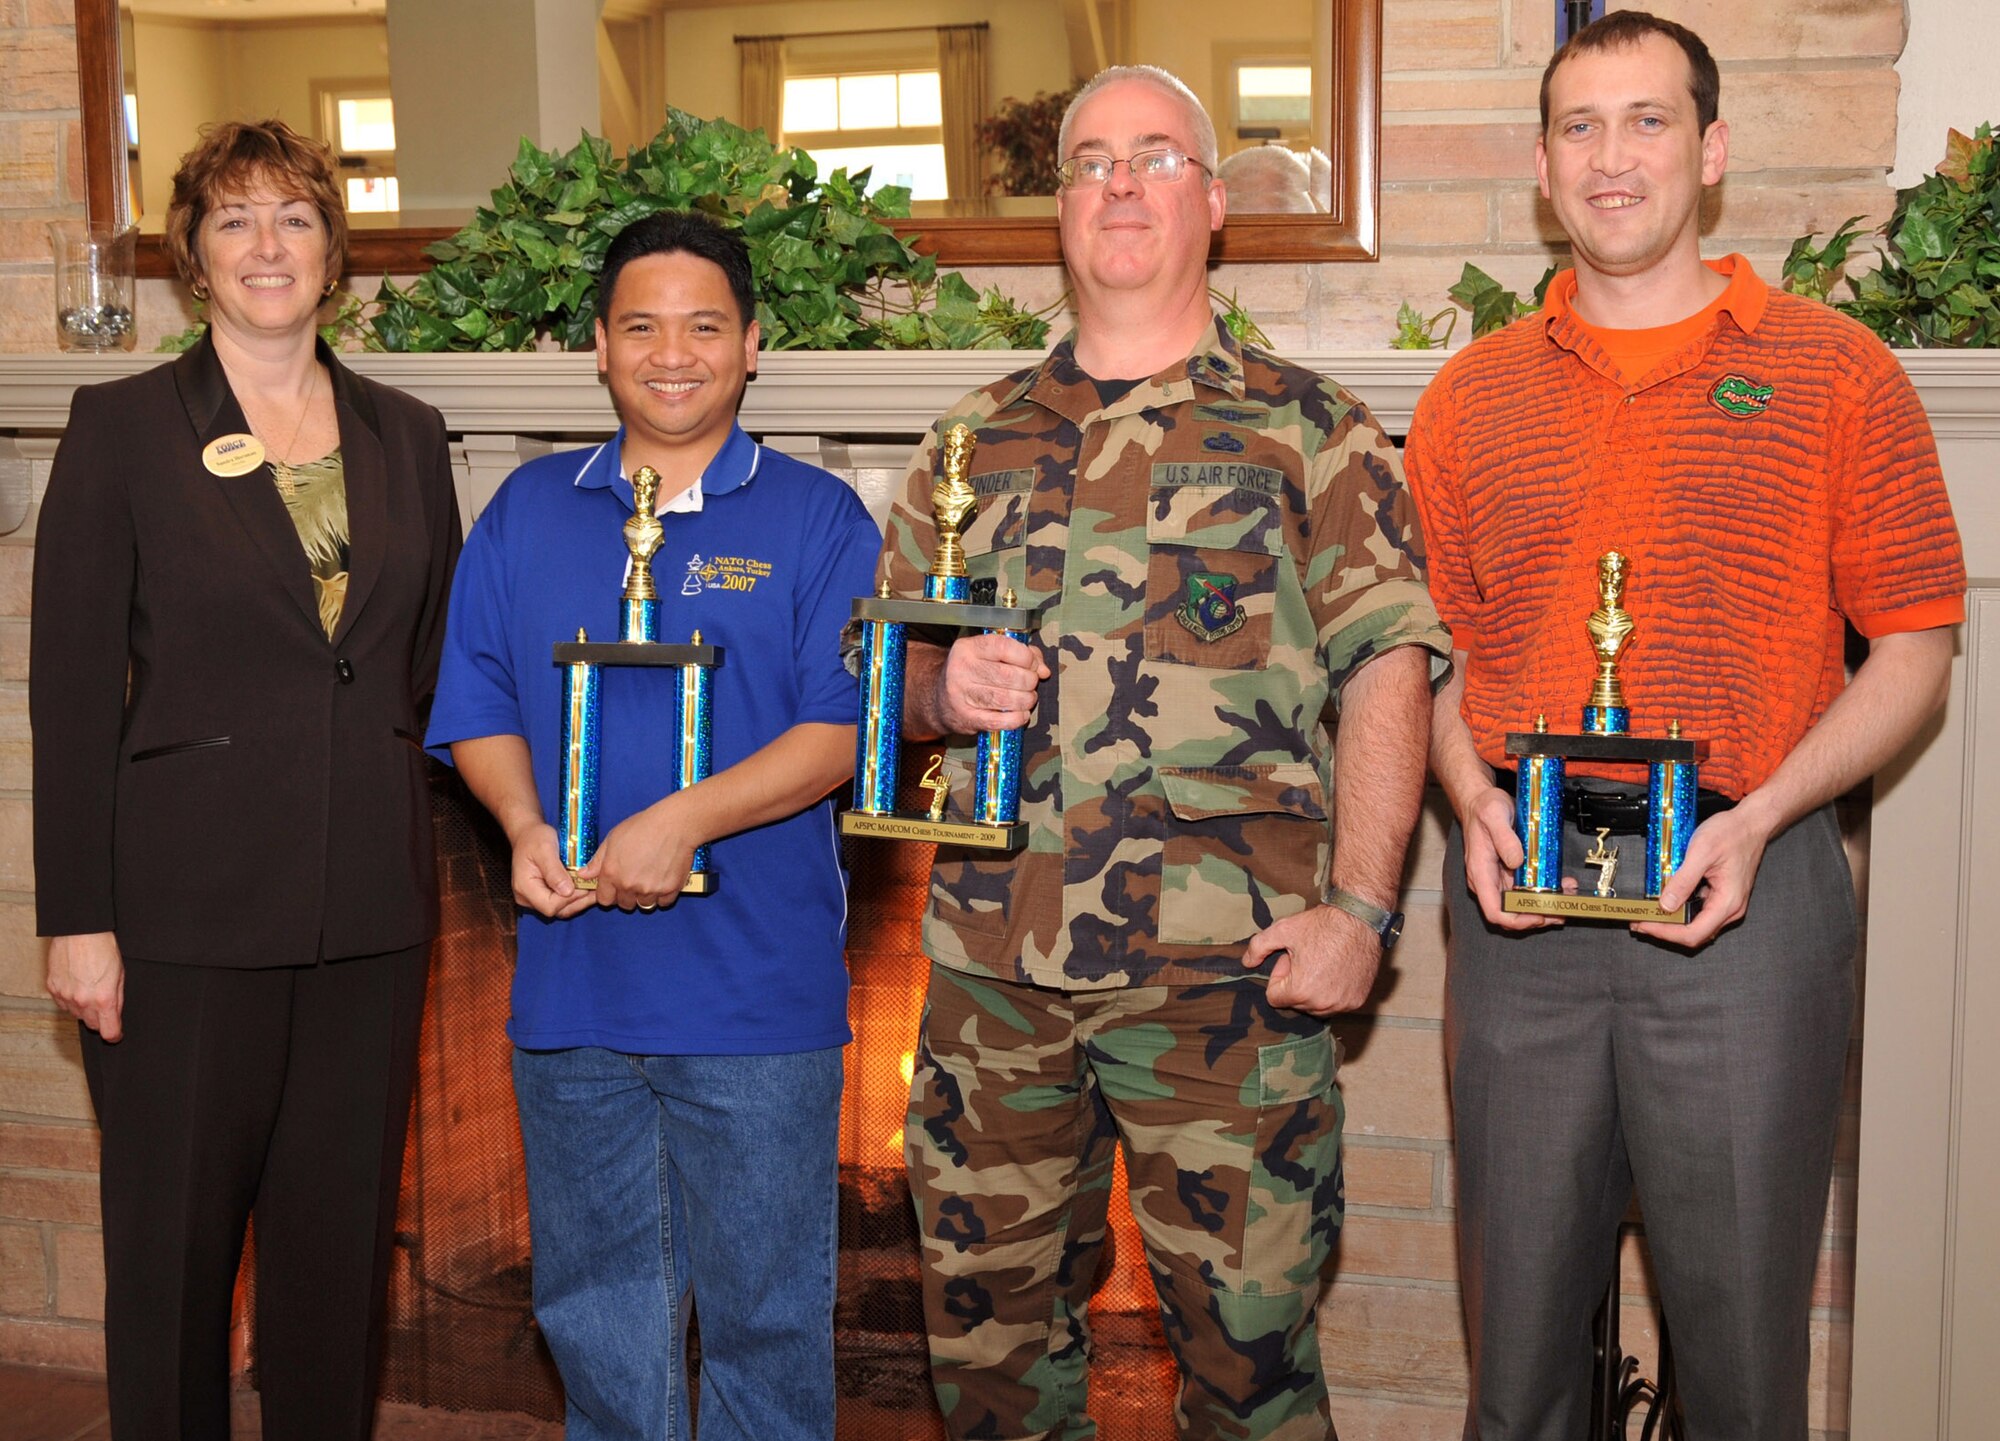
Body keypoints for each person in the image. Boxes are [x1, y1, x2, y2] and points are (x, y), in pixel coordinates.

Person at [1403, 13, 1966, 1439]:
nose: (1613, 158)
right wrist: (1470, 799)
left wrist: (1765, 816)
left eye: (1648, 121)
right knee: (1516, 1365)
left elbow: (1916, 647)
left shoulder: (1840, 373)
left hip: (1753, 903)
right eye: (1581, 128)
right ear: (1542, 167)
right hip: (1522, 911)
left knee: (1741, 1368)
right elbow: (1429, 656)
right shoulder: (1468, 399)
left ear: (1710, 152)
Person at [881, 64, 1452, 1439]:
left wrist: (1364, 913)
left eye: (1152, 157)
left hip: (1227, 992)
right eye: (1089, 161)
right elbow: (886, 686)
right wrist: (939, 688)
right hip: (993, 986)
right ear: (1060, 207)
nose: (1119, 184)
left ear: (1211, 203)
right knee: (993, 1380)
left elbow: (1392, 667)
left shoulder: (1312, 430)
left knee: (1251, 1378)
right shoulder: (968, 443)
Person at [32, 119, 461, 1440]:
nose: (266, 245)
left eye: (294, 218)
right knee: (170, 1262)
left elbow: (431, 672)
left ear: (334, 254)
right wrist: (76, 918)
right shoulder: (121, 429)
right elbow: (66, 689)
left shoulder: (406, 432)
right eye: (234, 219)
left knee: (334, 1271)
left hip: (368, 924)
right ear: (194, 260)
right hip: (177, 927)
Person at [425, 210, 880, 1441]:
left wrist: (679, 819)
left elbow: (845, 730)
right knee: (595, 1319)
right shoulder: (524, 509)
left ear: (749, 348)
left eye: (702, 326)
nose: (669, 353)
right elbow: (476, 702)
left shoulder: (819, 515)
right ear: (598, 346)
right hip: (572, 997)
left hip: (755, 1006)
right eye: (640, 326)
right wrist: (520, 825)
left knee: (767, 1329)